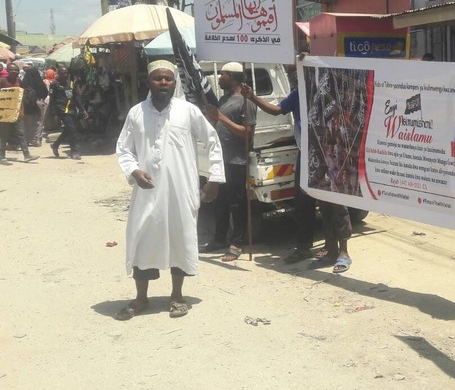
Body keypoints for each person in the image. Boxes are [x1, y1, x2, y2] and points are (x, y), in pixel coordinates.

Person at [114, 60, 224, 321]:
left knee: (179, 240)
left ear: (175, 83)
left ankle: (176, 296)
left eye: (168, 79)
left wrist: (215, 179)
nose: (163, 83)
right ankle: (141, 298)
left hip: (180, 190)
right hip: (147, 193)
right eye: (158, 78)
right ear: (149, 81)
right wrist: (134, 171)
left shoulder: (188, 111)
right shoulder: (136, 113)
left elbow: (213, 141)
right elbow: (124, 149)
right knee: (142, 240)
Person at [241, 65, 353, 273]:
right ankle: (328, 250)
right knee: (315, 203)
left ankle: (343, 252)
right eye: (292, 73)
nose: (294, 76)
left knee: (336, 203)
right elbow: (276, 110)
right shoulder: (297, 94)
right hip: (307, 156)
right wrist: (252, 97)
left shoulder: (330, 91)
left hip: (330, 155)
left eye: (297, 72)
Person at [201, 62, 257, 262]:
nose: (219, 78)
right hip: (221, 160)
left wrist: (221, 118)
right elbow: (218, 122)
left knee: (237, 203)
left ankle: (237, 244)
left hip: (236, 160)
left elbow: (247, 133)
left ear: (232, 77)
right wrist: (212, 119)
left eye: (223, 74)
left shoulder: (245, 102)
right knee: (220, 201)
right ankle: (219, 238)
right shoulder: (224, 99)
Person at [0, 63, 39, 163]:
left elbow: (22, 93)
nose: (14, 71)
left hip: (17, 112)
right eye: (11, 70)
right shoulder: (3, 81)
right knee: (3, 135)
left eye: (16, 70)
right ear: (7, 71)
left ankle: (27, 155)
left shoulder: (19, 81)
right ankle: (2, 156)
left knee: (21, 134)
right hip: (5, 113)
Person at [49, 67, 85, 160]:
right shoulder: (54, 84)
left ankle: (55, 145)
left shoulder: (72, 84)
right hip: (62, 110)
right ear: (58, 74)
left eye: (66, 73)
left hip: (72, 110)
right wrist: (53, 113)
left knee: (69, 129)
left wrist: (82, 109)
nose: (65, 75)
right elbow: (52, 100)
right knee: (72, 130)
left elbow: (76, 97)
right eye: (62, 73)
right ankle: (74, 151)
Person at [22, 68, 49, 147]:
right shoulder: (39, 82)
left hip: (26, 104)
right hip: (38, 102)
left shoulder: (24, 83)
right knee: (39, 122)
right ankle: (36, 140)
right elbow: (45, 93)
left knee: (27, 122)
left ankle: (27, 140)